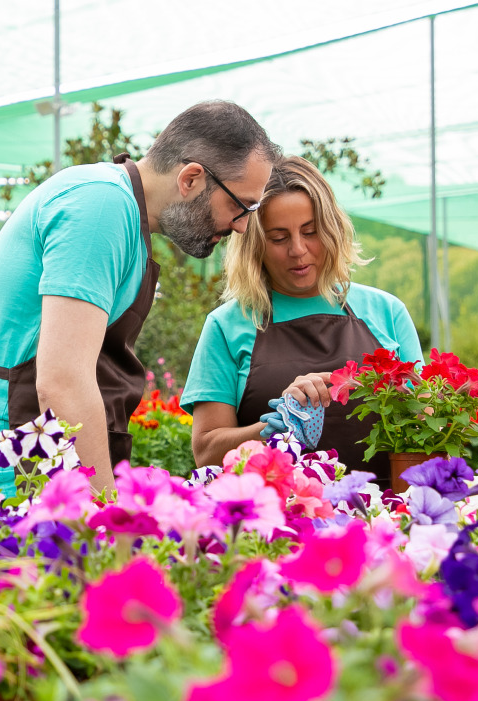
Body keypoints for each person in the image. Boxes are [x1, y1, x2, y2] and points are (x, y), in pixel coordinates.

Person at [0, 100, 280, 497]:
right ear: (191, 179)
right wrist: (105, 512)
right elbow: (63, 381)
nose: (242, 226)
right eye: (240, 206)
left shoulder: (122, 213)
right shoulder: (101, 208)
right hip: (4, 478)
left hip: (37, 464)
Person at [181, 155, 422, 482]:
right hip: (280, 522)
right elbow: (206, 451)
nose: (298, 250)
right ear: (255, 243)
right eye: (279, 238)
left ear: (332, 230)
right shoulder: (227, 325)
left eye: (310, 232)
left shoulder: (386, 312)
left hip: (383, 519)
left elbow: (426, 424)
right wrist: (274, 424)